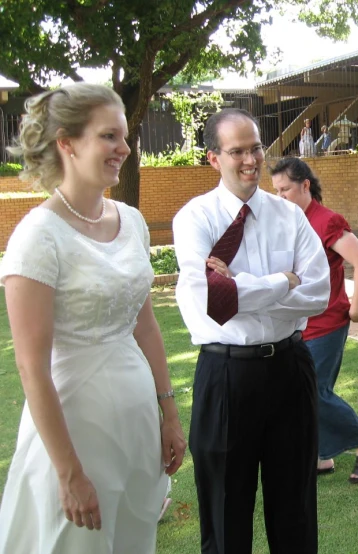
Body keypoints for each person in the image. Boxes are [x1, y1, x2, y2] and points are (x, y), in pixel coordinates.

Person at [0, 83, 186, 553]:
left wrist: (168, 413)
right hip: (76, 428)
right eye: (108, 136)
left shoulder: (131, 221)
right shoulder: (37, 237)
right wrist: (69, 472)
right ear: (67, 142)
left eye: (124, 137)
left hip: (135, 420)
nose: (123, 148)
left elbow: (144, 324)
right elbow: (31, 367)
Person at [172, 109, 330, 553]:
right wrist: (283, 280)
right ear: (212, 158)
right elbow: (212, 298)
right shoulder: (194, 219)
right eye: (237, 151)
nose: (250, 160)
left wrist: (239, 286)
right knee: (225, 514)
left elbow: (319, 292)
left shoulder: (289, 216)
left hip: (289, 369)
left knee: (295, 509)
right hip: (226, 376)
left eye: (256, 148)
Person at [270, 157, 358, 483]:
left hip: (327, 321)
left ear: (305, 185)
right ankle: (320, 456)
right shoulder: (290, 221)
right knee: (301, 391)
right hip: (299, 322)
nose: (280, 197)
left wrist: (356, 307)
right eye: (275, 191)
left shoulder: (326, 221)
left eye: (285, 190)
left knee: (313, 391)